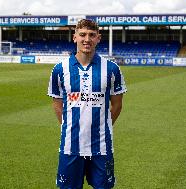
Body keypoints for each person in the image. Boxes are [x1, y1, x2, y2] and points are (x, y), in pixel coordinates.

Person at [47, 19, 127, 189]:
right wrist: (69, 126)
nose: (87, 39)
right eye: (82, 34)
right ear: (74, 37)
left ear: (98, 38)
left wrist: (103, 126)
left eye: (92, 35)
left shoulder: (112, 69)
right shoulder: (60, 69)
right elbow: (57, 105)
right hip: (70, 146)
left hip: (102, 147)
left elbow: (117, 105)